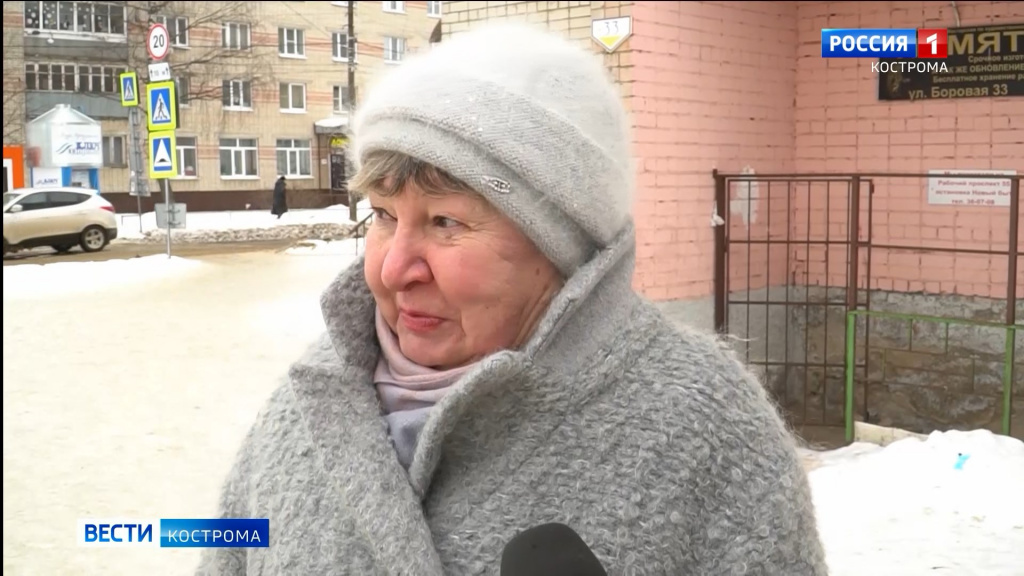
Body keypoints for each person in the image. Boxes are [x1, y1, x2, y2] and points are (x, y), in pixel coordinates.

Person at [197, 23, 827, 576]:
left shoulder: (703, 424)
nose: (393, 268)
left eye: (445, 222)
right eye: (384, 215)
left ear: (559, 246)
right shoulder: (312, 398)